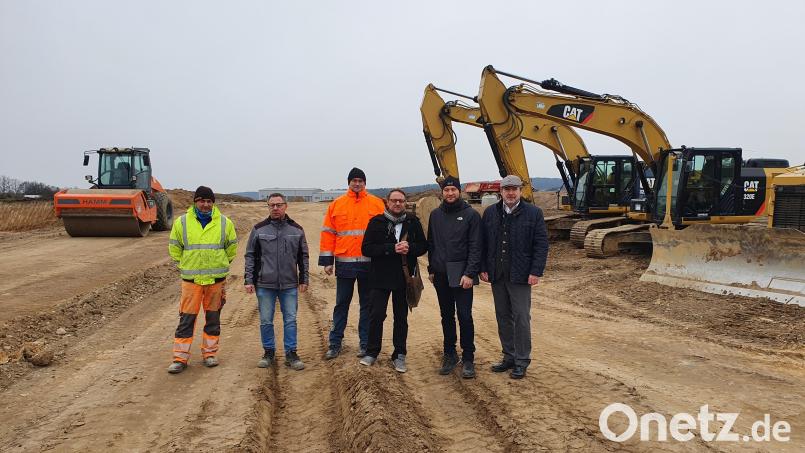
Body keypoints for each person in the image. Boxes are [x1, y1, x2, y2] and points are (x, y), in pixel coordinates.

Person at [480, 175, 548, 380]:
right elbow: (483, 243)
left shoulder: (533, 213)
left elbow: (541, 244)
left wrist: (535, 271)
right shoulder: (491, 213)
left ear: (520, 191)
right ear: (500, 191)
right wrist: (483, 267)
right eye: (507, 189)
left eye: (514, 189)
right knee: (503, 317)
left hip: (520, 274)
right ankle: (508, 356)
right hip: (497, 274)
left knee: (521, 317)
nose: (510, 193)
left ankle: (521, 360)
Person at [167, 186, 238, 374]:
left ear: (212, 203)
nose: (205, 204)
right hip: (191, 280)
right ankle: (180, 359)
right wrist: (185, 264)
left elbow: (231, 249)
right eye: (201, 201)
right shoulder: (181, 223)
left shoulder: (225, 223)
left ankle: (210, 355)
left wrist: (220, 264)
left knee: (213, 319)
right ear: (195, 202)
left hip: (215, 280)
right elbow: (175, 248)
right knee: (186, 320)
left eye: (209, 201)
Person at [319, 168, 385, 359]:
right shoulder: (337, 204)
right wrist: (327, 261)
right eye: (354, 180)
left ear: (365, 183)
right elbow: (328, 233)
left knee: (367, 305)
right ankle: (335, 343)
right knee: (341, 304)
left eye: (360, 180)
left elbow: (385, 232)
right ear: (349, 182)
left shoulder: (376, 203)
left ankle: (365, 344)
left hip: (369, 264)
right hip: (345, 263)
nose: (357, 183)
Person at [359, 189, 427, 372]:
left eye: (401, 201)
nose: (398, 204)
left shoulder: (413, 222)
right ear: (387, 202)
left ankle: (399, 354)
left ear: (405, 203)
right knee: (376, 315)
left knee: (401, 317)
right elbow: (366, 249)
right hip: (379, 277)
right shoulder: (376, 222)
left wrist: (410, 247)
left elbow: (423, 246)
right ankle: (372, 352)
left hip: (403, 279)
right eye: (394, 201)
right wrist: (391, 248)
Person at [244, 193, 309, 371]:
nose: (275, 208)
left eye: (279, 205)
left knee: (290, 320)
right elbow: (250, 255)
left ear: (285, 206)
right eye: (271, 205)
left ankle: (291, 353)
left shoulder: (297, 230)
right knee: (266, 320)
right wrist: (248, 279)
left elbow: (303, 256)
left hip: (289, 285)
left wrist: (304, 278)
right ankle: (268, 353)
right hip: (265, 284)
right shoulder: (259, 229)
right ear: (268, 207)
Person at [427, 176, 481, 379]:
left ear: (459, 192)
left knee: (465, 316)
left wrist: (470, 273)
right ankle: (450, 354)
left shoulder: (470, 215)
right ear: (442, 192)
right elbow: (432, 243)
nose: (450, 193)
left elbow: (476, 247)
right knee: (446, 316)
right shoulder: (435, 215)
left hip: (462, 276)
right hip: (441, 275)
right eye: (446, 190)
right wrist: (432, 269)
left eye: (453, 190)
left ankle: (468, 358)